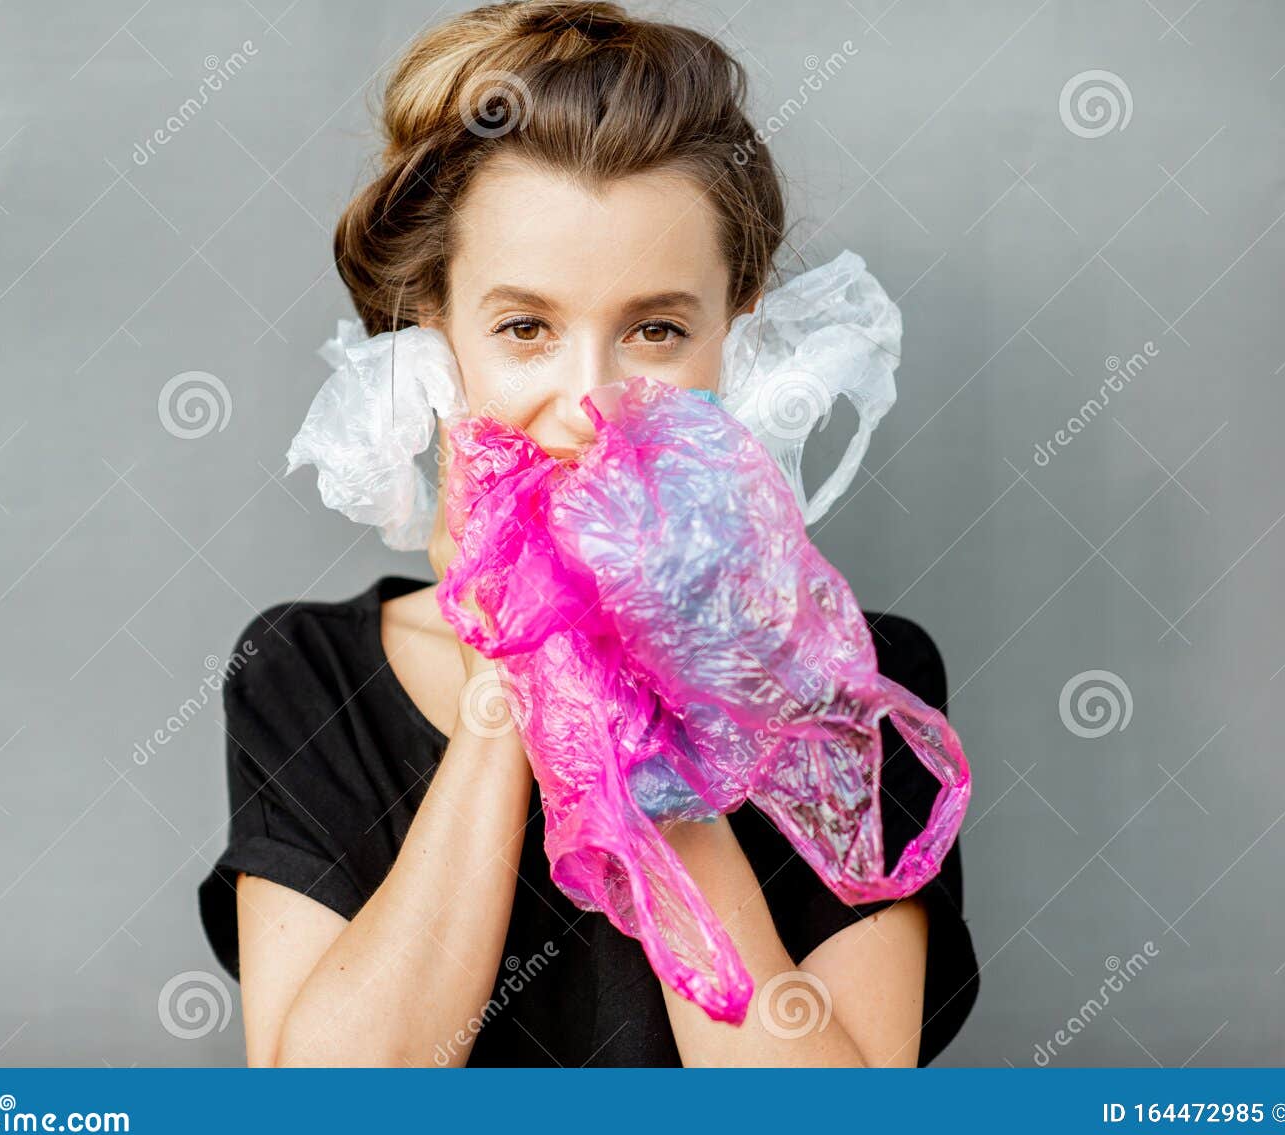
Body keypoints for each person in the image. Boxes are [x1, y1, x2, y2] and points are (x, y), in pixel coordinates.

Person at [196, 0, 978, 1066]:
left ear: (735, 337)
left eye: (655, 330)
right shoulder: (304, 674)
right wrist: (518, 665)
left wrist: (649, 718)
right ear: (438, 338)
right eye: (525, 329)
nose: (589, 402)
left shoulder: (859, 684)